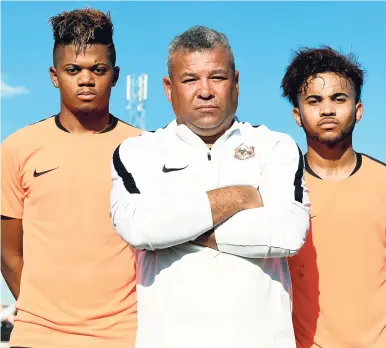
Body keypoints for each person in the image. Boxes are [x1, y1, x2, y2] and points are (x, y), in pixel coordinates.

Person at [110, 26, 310, 348]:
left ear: (236, 83)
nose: (205, 91)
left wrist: (175, 227)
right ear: (168, 87)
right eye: (190, 79)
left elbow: (286, 233)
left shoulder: (276, 146)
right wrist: (238, 196)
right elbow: (141, 229)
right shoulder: (137, 153)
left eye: (217, 77)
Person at [1, 8, 141, 348]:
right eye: (72, 70)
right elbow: (8, 252)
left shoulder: (143, 148)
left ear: (115, 74)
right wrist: (45, 314)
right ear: (54, 75)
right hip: (38, 336)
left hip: (124, 335)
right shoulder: (18, 148)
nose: (86, 80)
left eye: (98, 69)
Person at [282, 47, 386, 347]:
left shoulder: (382, 183)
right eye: (314, 101)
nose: (327, 110)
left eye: (338, 99)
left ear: (358, 109)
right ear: (298, 115)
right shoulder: (279, 187)